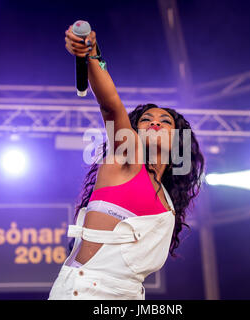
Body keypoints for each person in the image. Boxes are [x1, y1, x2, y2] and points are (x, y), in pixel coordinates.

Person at [48, 25, 204, 300]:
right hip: (86, 292)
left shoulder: (168, 202)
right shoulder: (127, 160)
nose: (155, 121)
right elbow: (111, 106)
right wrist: (92, 54)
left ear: (177, 141)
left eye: (165, 122)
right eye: (146, 120)